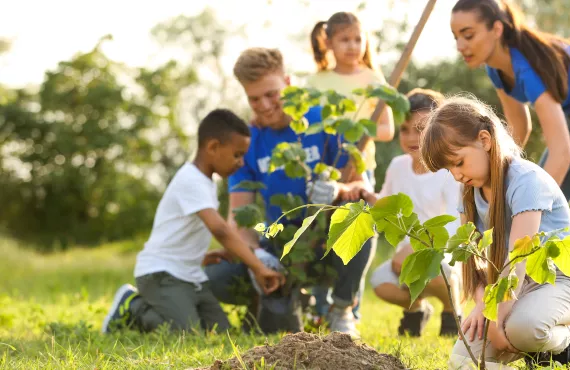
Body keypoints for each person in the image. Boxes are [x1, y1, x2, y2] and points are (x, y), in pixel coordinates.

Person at [450, 0, 570, 347]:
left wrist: (522, 200)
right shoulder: (496, 69)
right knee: (527, 206)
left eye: (468, 35)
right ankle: (536, 297)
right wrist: (499, 184)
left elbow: (561, 152)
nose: (460, 46)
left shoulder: (528, 63)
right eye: (455, 37)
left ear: (497, 29)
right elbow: (514, 132)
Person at [203, 47, 375, 338]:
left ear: (288, 83)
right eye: (254, 99)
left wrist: (338, 188)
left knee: (359, 217)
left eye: (271, 94)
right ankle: (274, 299)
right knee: (218, 277)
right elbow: (241, 218)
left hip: (325, 240)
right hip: (277, 240)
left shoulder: (326, 120)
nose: (265, 105)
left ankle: (341, 309)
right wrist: (257, 254)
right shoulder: (248, 140)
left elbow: (362, 189)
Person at [420, 95, 570, 369]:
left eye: (459, 162)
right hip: (510, 286)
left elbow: (519, 257)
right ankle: (531, 348)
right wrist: (481, 307)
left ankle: (566, 338)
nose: (456, 175)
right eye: (449, 168)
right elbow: (473, 261)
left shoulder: (526, 180)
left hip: (560, 278)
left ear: (485, 140)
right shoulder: (467, 192)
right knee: (463, 361)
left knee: (521, 330)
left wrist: (496, 320)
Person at [101, 109, 285, 334]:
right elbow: (220, 229)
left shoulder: (206, 182)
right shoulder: (191, 180)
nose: (241, 162)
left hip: (189, 275)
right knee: (187, 333)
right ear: (212, 147)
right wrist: (257, 266)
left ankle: (174, 309)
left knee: (220, 332)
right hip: (161, 274)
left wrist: (203, 256)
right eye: (237, 155)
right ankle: (133, 307)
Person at [344, 89, 463, 337]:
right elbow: (384, 203)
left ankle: (453, 310)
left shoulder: (449, 171)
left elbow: (455, 224)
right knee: (380, 282)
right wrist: (363, 191)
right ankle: (417, 309)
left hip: (445, 254)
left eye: (421, 129)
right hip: (408, 257)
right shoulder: (399, 166)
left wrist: (417, 248)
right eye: (405, 129)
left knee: (437, 269)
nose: (411, 137)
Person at [307, 11, 396, 320]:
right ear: (328, 42)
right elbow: (306, 128)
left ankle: (347, 308)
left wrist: (360, 131)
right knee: (320, 235)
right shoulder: (318, 81)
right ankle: (318, 304)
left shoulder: (372, 79)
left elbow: (387, 130)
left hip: (360, 170)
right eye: (344, 40)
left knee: (356, 232)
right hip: (325, 170)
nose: (352, 46)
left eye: (358, 39)